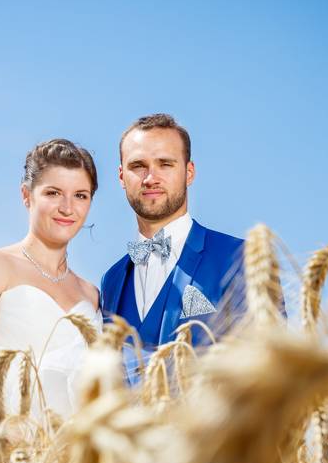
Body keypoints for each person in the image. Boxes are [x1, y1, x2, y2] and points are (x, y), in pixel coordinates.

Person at [0, 139, 101, 443]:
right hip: (6, 455)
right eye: (53, 193)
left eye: (80, 195)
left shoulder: (91, 294)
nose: (67, 207)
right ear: (27, 195)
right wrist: (17, 444)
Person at [100, 114, 246, 383]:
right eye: (138, 166)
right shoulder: (111, 281)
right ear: (121, 176)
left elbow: (267, 368)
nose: (150, 178)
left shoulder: (240, 258)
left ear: (189, 172)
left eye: (165, 164)